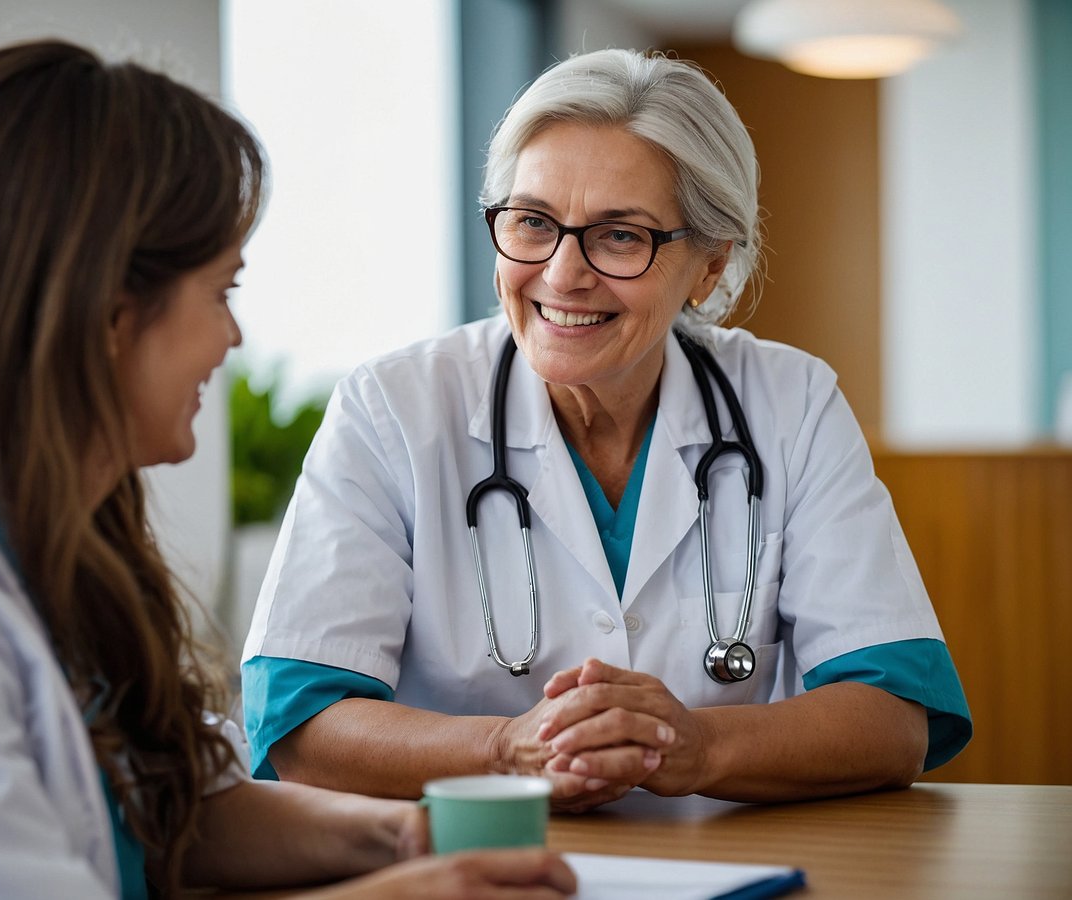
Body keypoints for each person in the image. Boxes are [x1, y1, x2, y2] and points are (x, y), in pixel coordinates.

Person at [0, 40, 577, 900]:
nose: (230, 340)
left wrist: (402, 836)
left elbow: (176, 812)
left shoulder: (50, 542)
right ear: (105, 311)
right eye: (221, 292)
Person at [241, 48, 972, 813]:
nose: (562, 274)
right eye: (531, 222)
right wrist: (504, 751)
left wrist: (696, 745)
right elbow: (297, 726)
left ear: (710, 266)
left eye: (620, 236)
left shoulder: (791, 403)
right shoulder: (392, 409)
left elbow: (897, 720)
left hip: (729, 868)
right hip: (474, 872)